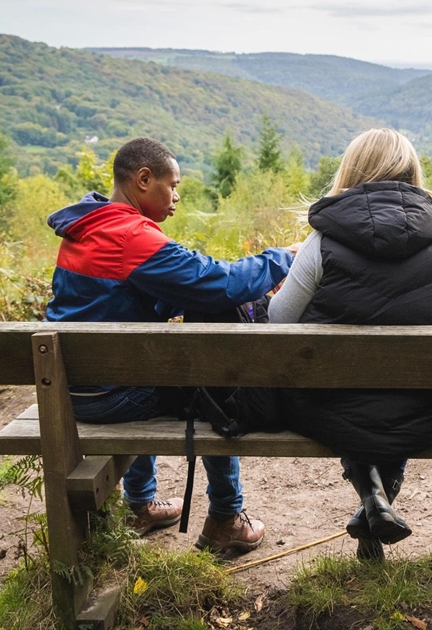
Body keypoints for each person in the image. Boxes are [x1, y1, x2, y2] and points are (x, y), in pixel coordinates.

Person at [45, 136, 296, 553]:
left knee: (149, 363)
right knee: (212, 383)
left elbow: (117, 299)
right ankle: (226, 517)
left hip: (73, 388)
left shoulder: (88, 227)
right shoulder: (131, 237)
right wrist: (286, 257)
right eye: (173, 185)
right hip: (112, 396)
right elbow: (225, 284)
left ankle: (141, 504)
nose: (177, 196)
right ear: (144, 179)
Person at [267, 128, 432, 561]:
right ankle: (376, 503)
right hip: (428, 407)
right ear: (413, 173)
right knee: (394, 402)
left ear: (351, 172)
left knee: (353, 403)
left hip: (328, 406)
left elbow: (279, 320)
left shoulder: (322, 241)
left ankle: (371, 496)